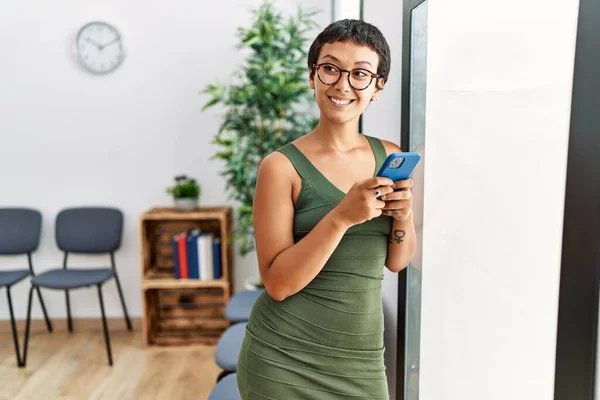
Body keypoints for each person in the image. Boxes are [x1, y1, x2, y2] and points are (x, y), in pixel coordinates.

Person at [236, 19, 416, 399]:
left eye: (360, 74)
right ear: (312, 76)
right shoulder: (280, 167)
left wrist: (403, 215)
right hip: (282, 361)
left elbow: (396, 262)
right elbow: (278, 284)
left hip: (362, 361)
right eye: (330, 68)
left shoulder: (391, 156)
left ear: (378, 87)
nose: (343, 84)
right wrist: (340, 217)